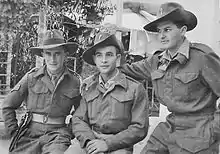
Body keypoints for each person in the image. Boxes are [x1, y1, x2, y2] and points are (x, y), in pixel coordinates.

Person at [120, 2, 220, 154]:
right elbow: (126, 71)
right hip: (170, 127)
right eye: (159, 31)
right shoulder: (156, 61)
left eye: (167, 30)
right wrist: (97, 74)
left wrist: (215, 129)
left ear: (183, 30)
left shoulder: (202, 57)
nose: (161, 35)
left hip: (199, 132)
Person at [65, 32, 149, 154]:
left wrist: (108, 144)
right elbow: (78, 119)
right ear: (94, 59)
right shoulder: (89, 87)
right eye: (99, 55)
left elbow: (139, 128)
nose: (104, 60)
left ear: (118, 58)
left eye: (109, 55)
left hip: (119, 146)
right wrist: (89, 141)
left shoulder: (135, 88)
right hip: (91, 141)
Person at [2, 29, 82, 154]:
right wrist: (14, 132)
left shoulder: (75, 82)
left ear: (65, 54)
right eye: (48, 54)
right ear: (43, 55)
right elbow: (8, 105)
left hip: (58, 134)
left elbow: (81, 113)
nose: (52, 59)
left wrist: (69, 132)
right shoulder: (31, 78)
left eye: (57, 53)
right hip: (30, 133)